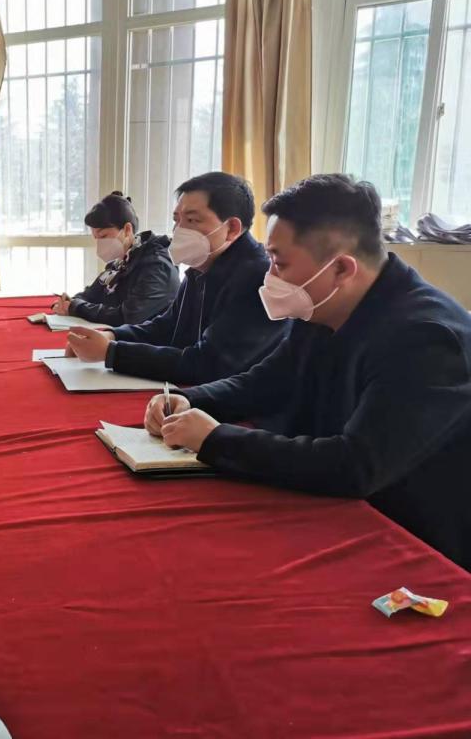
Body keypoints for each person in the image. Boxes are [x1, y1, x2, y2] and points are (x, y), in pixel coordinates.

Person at [143, 174, 471, 570]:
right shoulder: (325, 302)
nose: (269, 277)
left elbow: (354, 465)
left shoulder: (426, 339)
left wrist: (215, 439)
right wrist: (189, 399)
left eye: (279, 263)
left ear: (342, 269)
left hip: (411, 542)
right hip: (329, 506)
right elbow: (266, 381)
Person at [67, 172, 286, 385]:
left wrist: (112, 353)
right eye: (176, 220)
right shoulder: (201, 266)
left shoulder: (257, 278)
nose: (179, 230)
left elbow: (208, 364)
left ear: (231, 228)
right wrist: (112, 336)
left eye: (191, 220)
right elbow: (166, 326)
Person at [52, 191, 179, 326]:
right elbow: (91, 295)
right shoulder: (122, 260)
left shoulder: (158, 266)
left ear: (127, 230)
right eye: (96, 238)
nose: (100, 244)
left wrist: (77, 307)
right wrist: (70, 302)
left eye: (103, 236)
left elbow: (129, 317)